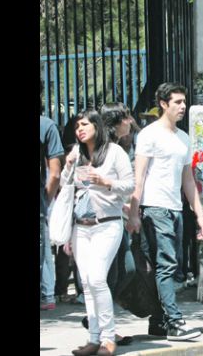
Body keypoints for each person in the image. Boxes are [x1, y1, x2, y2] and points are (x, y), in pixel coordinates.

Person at [127, 83, 203, 341]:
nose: (182, 106)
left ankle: (159, 321)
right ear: (163, 104)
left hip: (175, 208)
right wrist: (133, 212)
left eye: (184, 102)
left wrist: (199, 214)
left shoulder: (183, 138)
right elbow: (138, 178)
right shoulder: (149, 135)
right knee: (166, 266)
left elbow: (188, 180)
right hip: (154, 208)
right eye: (177, 102)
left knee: (165, 267)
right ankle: (174, 321)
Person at [63, 110, 135, 356]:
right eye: (77, 126)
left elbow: (130, 185)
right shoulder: (78, 153)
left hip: (107, 223)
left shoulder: (115, 152)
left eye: (84, 124)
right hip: (80, 226)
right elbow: (66, 186)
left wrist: (105, 182)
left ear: (96, 125)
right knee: (86, 284)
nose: (79, 129)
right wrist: (68, 166)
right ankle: (94, 338)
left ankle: (107, 337)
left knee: (96, 279)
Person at [41, 109, 64, 311]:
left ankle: (47, 294)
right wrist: (45, 201)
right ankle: (46, 294)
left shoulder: (46, 126)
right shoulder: (46, 125)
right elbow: (55, 174)